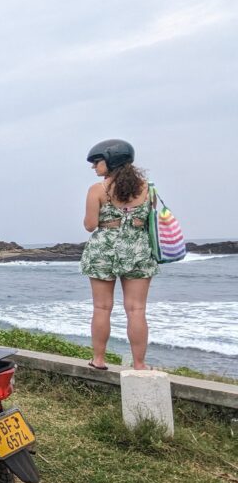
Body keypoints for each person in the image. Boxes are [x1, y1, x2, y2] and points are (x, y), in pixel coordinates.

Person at [79, 139, 158, 370]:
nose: (94, 166)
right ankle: (140, 365)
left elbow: (90, 225)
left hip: (104, 250)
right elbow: (147, 222)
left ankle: (99, 360)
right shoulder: (147, 189)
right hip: (138, 250)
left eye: (97, 161)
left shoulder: (97, 190)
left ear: (111, 161)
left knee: (102, 308)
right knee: (136, 309)